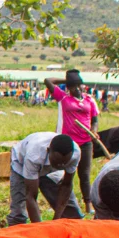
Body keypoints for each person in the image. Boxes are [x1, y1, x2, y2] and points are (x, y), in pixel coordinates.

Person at [45, 71, 100, 215]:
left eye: (77, 85)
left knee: (85, 174)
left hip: (86, 141)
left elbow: (94, 120)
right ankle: (60, 203)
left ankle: (88, 204)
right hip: (68, 143)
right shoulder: (63, 97)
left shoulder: (90, 100)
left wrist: (94, 131)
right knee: (64, 174)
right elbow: (47, 80)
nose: (76, 89)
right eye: (72, 86)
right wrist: (67, 79)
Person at [7, 132, 82, 225]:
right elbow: (30, 195)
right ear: (48, 150)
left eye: (64, 163)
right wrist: (40, 229)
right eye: (57, 162)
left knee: (71, 210)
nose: (61, 165)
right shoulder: (34, 156)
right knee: (18, 213)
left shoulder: (75, 154)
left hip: (50, 169)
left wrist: (56, 220)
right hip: (21, 164)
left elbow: (66, 186)